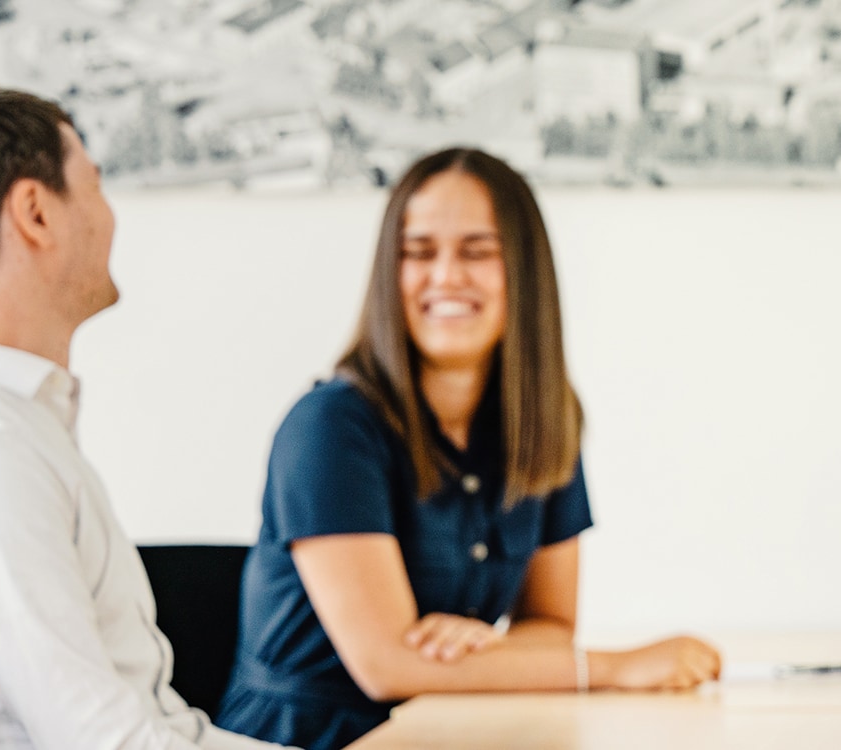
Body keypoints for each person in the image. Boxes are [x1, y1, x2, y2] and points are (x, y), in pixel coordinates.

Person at [216, 148, 720, 750]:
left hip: (454, 733)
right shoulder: (328, 427)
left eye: (478, 252)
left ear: (524, 273)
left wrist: (492, 648)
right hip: (308, 739)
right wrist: (612, 668)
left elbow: (551, 627)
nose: (447, 276)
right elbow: (387, 667)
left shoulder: (545, 418)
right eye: (419, 252)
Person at [0, 83, 288, 749]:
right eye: (92, 184)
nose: (109, 216)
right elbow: (103, 743)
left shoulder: (8, 430)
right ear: (36, 212)